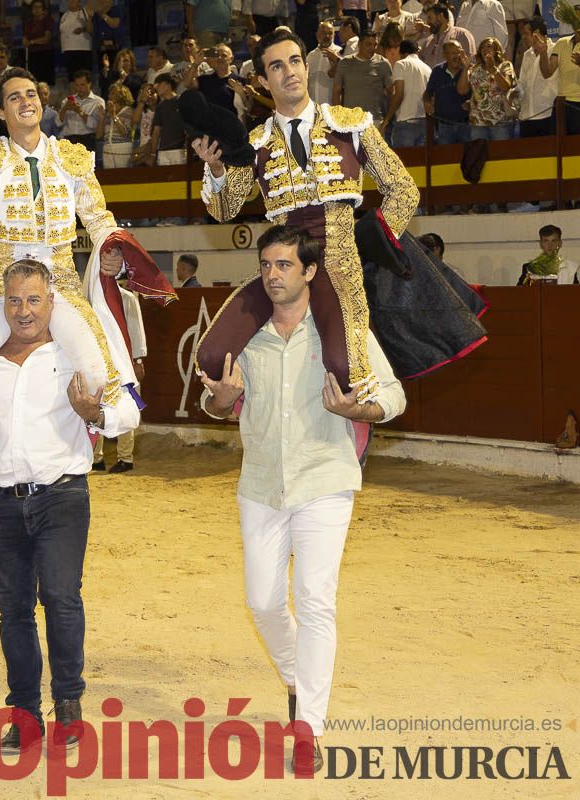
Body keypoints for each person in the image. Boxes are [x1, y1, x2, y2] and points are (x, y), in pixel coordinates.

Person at [198, 224, 407, 775]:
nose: (272, 275)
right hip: (261, 483)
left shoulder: (341, 332)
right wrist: (220, 400)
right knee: (263, 603)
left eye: (284, 264)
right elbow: (214, 405)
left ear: (310, 271)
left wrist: (357, 411)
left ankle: (309, 726)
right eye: (266, 264)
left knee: (316, 601)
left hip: (324, 480)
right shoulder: (248, 336)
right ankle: (297, 679)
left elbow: (394, 396)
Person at [0, 259, 141, 754]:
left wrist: (94, 412)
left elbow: (129, 411)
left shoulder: (76, 353)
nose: (23, 311)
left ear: (52, 302)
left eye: (33, 300)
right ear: (0, 304)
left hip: (61, 495)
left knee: (62, 600)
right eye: (14, 300)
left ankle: (68, 705)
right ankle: (24, 713)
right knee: (13, 613)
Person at [0, 64, 174, 409]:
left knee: (100, 377)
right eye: (14, 97)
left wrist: (112, 251)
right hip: (6, 286)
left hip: (60, 285)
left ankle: (92, 435)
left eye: (31, 94)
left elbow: (98, 218)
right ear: (0, 110)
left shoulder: (71, 157)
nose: (26, 101)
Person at [193, 28, 427, 404]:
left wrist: (371, 244)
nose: (289, 72)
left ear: (305, 67)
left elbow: (403, 189)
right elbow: (225, 209)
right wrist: (217, 170)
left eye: (295, 61)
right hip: (283, 266)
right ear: (263, 80)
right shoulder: (254, 143)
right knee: (210, 356)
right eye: (276, 66)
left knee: (346, 369)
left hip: (338, 263)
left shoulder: (350, 124)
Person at [93, 280, 145, 473]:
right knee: (96, 404)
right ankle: (96, 457)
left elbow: (135, 329)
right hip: (98, 359)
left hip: (123, 361)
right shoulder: (92, 296)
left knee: (124, 404)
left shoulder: (127, 298)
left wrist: (137, 359)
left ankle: (125, 457)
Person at [331, 32, 393, 125]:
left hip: (375, 121)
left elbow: (392, 93)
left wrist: (386, 121)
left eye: (375, 45)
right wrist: (339, 118)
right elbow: (336, 92)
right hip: (350, 121)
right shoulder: (345, 63)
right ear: (359, 44)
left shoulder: (383, 64)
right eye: (368, 44)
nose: (372, 48)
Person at [462, 36, 516, 140]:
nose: (485, 49)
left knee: (502, 150)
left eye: (489, 46)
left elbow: (506, 87)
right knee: (479, 150)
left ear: (496, 50)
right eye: (482, 47)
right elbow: (463, 90)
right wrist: (465, 69)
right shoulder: (475, 68)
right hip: (478, 120)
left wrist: (493, 69)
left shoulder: (505, 65)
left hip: (500, 120)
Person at [423, 41, 472, 145]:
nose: (457, 56)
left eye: (458, 52)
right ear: (444, 55)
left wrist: (471, 102)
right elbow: (428, 92)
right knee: (445, 154)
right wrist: (427, 102)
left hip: (467, 124)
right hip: (444, 126)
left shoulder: (470, 70)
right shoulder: (437, 71)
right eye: (453, 53)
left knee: (468, 154)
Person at [519, 19, 557, 138]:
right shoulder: (526, 54)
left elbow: (548, 74)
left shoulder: (555, 50)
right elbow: (522, 83)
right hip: (526, 116)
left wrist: (543, 52)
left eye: (526, 33)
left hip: (547, 114)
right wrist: (513, 93)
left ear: (536, 33)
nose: (523, 37)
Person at [390, 39, 432, 147]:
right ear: (417, 51)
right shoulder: (428, 69)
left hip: (405, 122)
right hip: (424, 122)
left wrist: (386, 120)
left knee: (404, 157)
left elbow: (399, 95)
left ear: (402, 53)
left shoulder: (401, 64)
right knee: (420, 157)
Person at [415, 3, 475, 68]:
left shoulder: (461, 35)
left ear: (441, 16)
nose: (427, 22)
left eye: (430, 18)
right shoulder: (427, 42)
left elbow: (471, 62)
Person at [59, 69, 104, 153]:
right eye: (77, 85)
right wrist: (64, 109)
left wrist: (80, 111)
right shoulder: (67, 101)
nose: (79, 88)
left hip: (87, 139)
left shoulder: (98, 102)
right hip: (69, 139)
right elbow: (59, 123)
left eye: (82, 85)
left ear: (89, 84)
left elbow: (95, 125)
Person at [60, 0, 92, 80]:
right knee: (71, 78)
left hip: (82, 50)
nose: (71, 1)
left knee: (83, 78)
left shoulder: (84, 12)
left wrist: (82, 29)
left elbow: (91, 30)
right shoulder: (65, 15)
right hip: (68, 50)